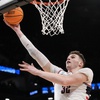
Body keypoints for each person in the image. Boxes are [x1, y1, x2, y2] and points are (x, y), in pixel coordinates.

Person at [4, 20, 94, 100]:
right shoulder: (59, 73)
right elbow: (34, 52)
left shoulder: (86, 72)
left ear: (80, 63)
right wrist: (18, 31)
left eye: (73, 57)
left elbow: (65, 81)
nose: (69, 58)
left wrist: (37, 72)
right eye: (68, 57)